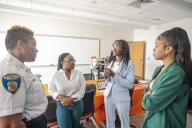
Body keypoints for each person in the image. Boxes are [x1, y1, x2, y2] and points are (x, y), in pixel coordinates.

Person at [141, 27, 192, 128]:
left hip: (165, 122)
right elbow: (145, 91)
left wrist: (149, 94)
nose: (153, 49)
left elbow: (149, 105)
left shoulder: (175, 74)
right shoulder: (159, 69)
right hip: (152, 119)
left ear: (168, 49)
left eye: (157, 45)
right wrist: (149, 94)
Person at [0, 25, 48, 128]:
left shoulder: (20, 68)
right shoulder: (11, 73)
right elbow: (11, 124)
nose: (36, 50)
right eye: (34, 45)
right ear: (21, 44)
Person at [48, 53, 86, 128]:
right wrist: (61, 96)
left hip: (77, 105)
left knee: (75, 126)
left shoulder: (79, 74)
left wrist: (70, 99)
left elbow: (82, 90)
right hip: (63, 105)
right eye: (71, 61)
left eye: (74, 61)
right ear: (62, 62)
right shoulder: (55, 75)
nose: (73, 63)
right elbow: (51, 90)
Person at [104, 39, 135, 128]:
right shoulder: (111, 62)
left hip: (121, 96)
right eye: (113, 46)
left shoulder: (129, 63)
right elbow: (108, 80)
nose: (114, 49)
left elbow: (129, 83)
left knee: (124, 121)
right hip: (108, 95)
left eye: (117, 46)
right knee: (109, 120)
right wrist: (106, 75)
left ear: (124, 48)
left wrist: (113, 75)